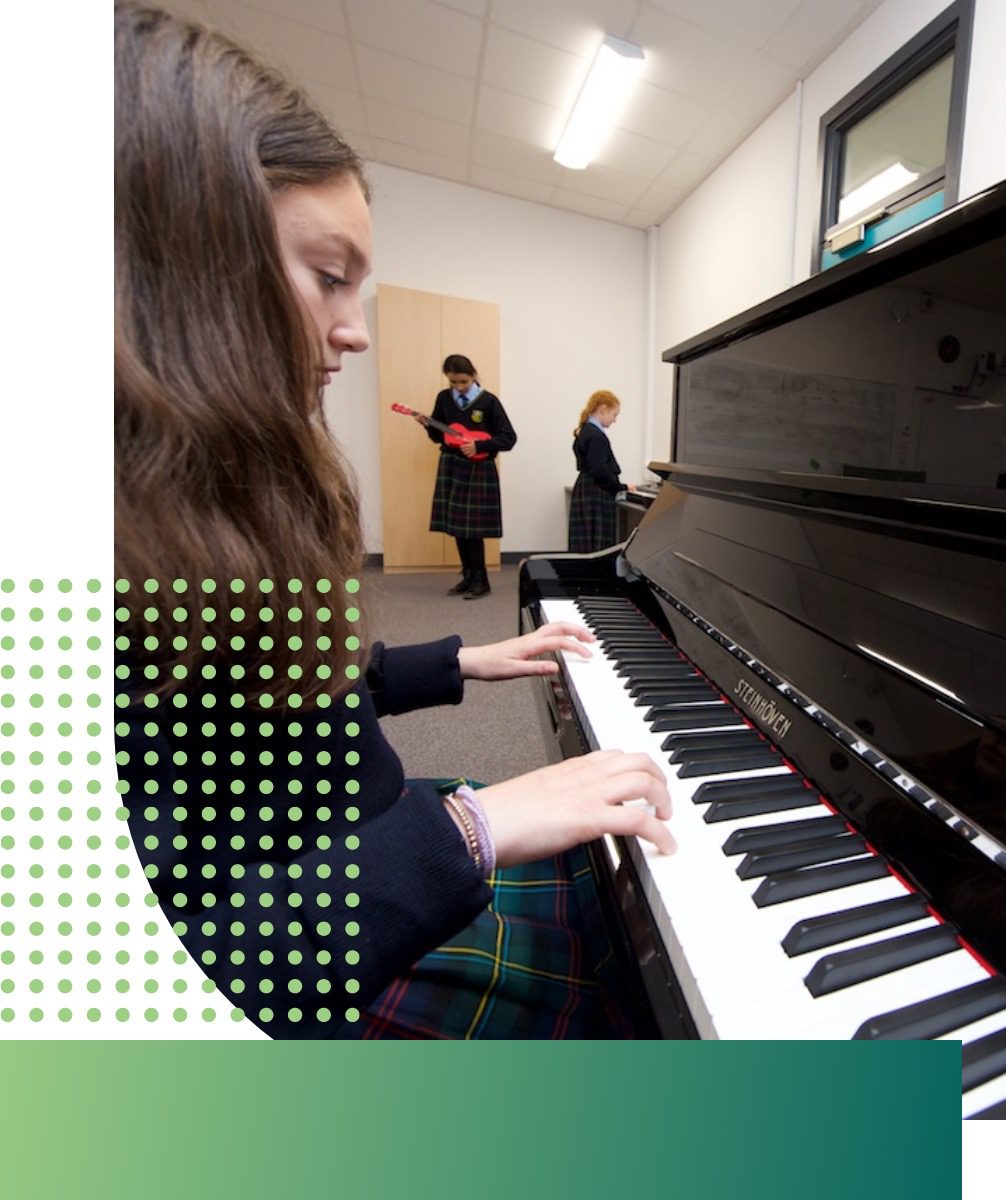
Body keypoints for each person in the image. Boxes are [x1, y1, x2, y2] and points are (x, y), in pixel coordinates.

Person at [114, 3, 674, 1039]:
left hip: (353, 850)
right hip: (330, 955)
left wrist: (459, 664)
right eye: (329, 277)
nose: (354, 333)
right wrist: (468, 828)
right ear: (168, 268)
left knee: (625, 892)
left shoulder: (177, 511)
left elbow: (247, 723)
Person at [421, 353, 516, 598]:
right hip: (452, 465)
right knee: (457, 528)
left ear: (473, 375)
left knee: (473, 530)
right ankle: (468, 577)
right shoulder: (444, 398)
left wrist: (480, 447)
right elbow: (439, 436)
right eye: (453, 382)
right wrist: (428, 425)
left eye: (463, 381)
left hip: (478, 469)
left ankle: (481, 581)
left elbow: (508, 438)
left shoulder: (488, 402)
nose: (458, 387)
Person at [568, 390, 625, 553]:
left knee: (586, 540)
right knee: (597, 544)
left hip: (586, 488)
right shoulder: (596, 436)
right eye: (614, 415)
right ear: (603, 409)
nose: (615, 420)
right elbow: (600, 470)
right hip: (596, 492)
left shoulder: (585, 431)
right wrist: (620, 487)